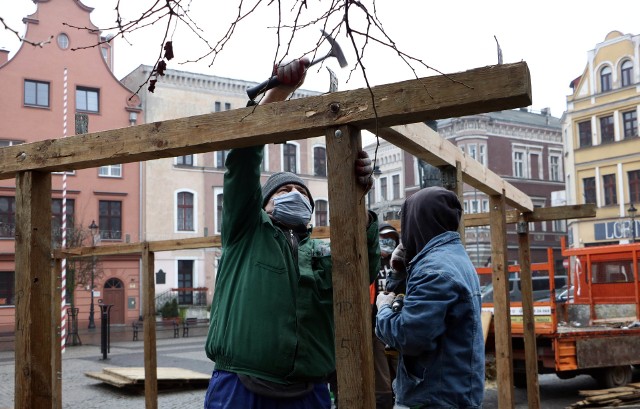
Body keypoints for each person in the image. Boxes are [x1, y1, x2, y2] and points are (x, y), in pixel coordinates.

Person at [204, 58, 381, 409]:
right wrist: (279, 94)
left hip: (308, 392)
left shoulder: (322, 254)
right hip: (240, 388)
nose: (295, 195)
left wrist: (358, 196)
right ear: (263, 204)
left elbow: (364, 268)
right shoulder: (246, 234)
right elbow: (241, 161)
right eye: (283, 192)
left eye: (302, 193)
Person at [375, 186, 485, 409]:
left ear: (416, 220)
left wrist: (383, 309)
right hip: (451, 393)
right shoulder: (452, 257)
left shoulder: (433, 269)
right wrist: (399, 271)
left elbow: (408, 336)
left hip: (433, 398)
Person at [371, 222, 401, 409]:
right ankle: (384, 403)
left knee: (399, 368)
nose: (387, 242)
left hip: (397, 323)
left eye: (391, 239)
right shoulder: (371, 262)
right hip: (376, 326)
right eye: (383, 238)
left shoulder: (400, 262)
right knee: (381, 376)